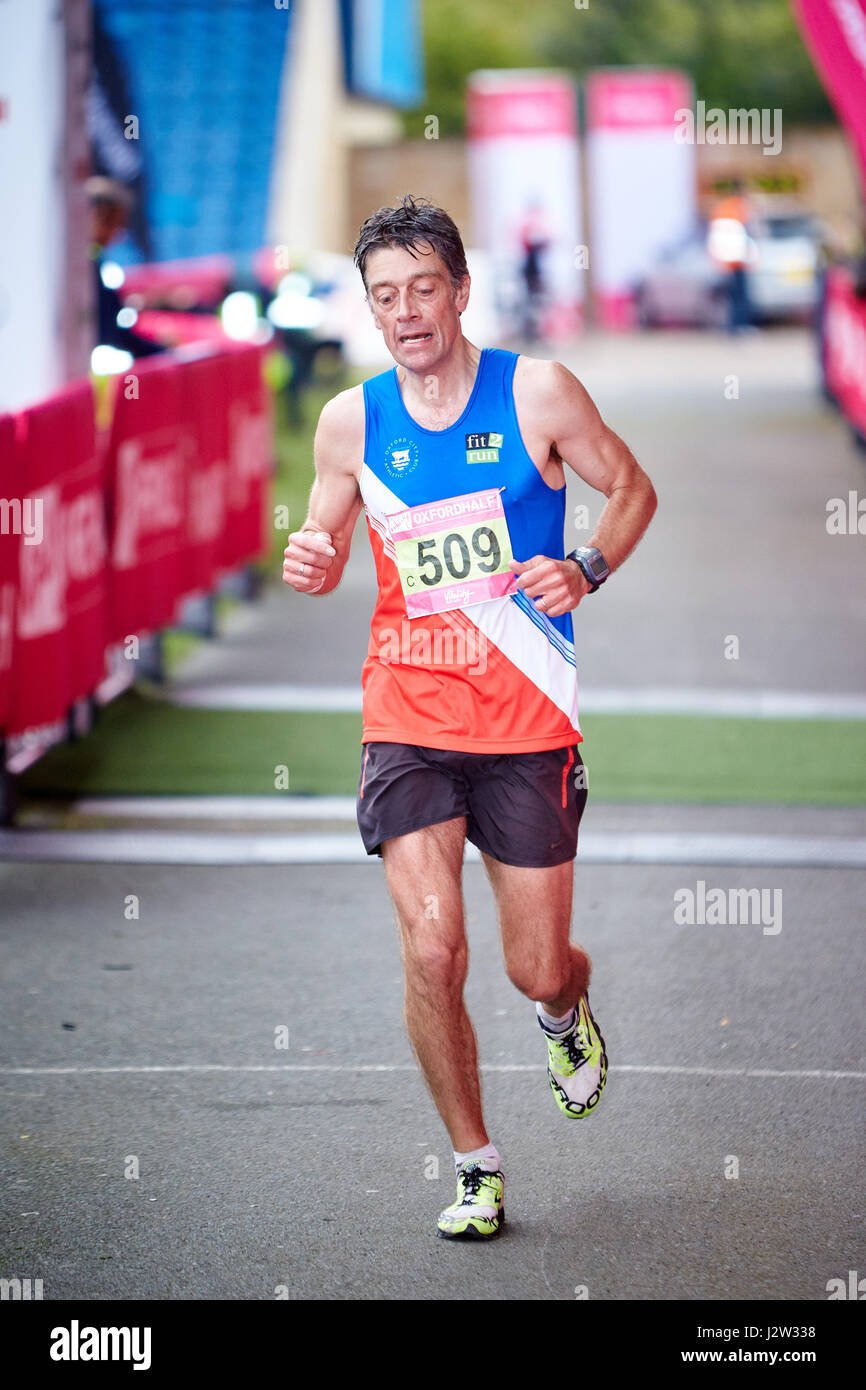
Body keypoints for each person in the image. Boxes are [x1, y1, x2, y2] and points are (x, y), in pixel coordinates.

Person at [282, 195, 657, 1240]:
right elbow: (320, 536)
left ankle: (561, 1010)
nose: (404, 312)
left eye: (421, 289)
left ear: (458, 291)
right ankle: (474, 1164)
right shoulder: (349, 421)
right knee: (431, 948)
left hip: (527, 719)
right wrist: (311, 556)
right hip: (405, 712)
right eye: (383, 296)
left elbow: (629, 488)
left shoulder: (536, 392)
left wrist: (584, 565)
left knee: (531, 962)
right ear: (369, 306)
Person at [86, 177, 163, 358]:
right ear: (100, 215)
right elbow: (111, 333)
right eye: (116, 223)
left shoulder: (95, 260)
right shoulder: (86, 266)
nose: (118, 234)